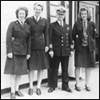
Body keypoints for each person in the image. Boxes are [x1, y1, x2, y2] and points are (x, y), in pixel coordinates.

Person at [4, 7, 31, 99]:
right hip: (14, 51)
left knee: (20, 72)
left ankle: (17, 89)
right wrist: (9, 51)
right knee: (13, 72)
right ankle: (12, 91)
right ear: (17, 14)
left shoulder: (28, 26)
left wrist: (28, 53)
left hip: (23, 52)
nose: (22, 15)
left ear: (25, 15)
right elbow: (8, 38)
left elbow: (29, 41)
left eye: (23, 14)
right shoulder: (12, 24)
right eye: (20, 14)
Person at [48, 6, 74, 93]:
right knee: (54, 68)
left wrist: (71, 50)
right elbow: (49, 38)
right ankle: (52, 85)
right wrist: (51, 49)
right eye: (59, 14)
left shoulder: (68, 26)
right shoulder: (52, 25)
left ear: (64, 15)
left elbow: (71, 39)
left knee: (65, 69)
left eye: (62, 14)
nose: (60, 16)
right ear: (56, 15)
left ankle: (65, 86)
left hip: (66, 51)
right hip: (55, 51)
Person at [25, 3, 49, 96]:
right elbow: (26, 32)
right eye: (36, 9)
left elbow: (46, 33)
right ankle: (31, 87)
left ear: (41, 10)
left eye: (39, 9)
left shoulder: (44, 20)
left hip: (41, 46)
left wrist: (47, 45)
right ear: (34, 9)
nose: (38, 10)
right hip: (31, 46)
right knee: (31, 68)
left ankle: (38, 87)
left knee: (40, 68)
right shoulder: (28, 20)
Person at [72, 7, 97, 92]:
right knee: (78, 65)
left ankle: (87, 84)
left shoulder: (92, 24)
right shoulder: (76, 24)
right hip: (80, 47)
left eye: (85, 14)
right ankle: (77, 84)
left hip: (89, 48)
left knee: (88, 66)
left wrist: (90, 41)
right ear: (80, 15)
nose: (83, 15)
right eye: (82, 14)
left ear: (88, 14)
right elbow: (73, 34)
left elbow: (94, 35)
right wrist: (77, 42)